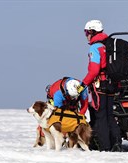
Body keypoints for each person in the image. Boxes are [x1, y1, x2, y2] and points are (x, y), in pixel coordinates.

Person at [79, 19, 122, 152]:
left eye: (87, 32)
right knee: (110, 115)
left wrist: (83, 84)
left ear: (92, 31)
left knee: (101, 117)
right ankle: (117, 143)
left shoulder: (95, 47)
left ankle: (105, 147)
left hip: (101, 85)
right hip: (112, 84)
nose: (86, 35)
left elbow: (94, 70)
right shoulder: (108, 44)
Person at [34, 77, 89, 147]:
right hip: (56, 103)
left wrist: (79, 119)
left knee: (74, 119)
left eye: (74, 97)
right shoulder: (58, 94)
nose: (73, 98)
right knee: (51, 121)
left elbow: (85, 104)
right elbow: (58, 116)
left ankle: (72, 142)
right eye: (71, 96)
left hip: (71, 102)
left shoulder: (81, 88)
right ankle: (41, 137)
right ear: (66, 91)